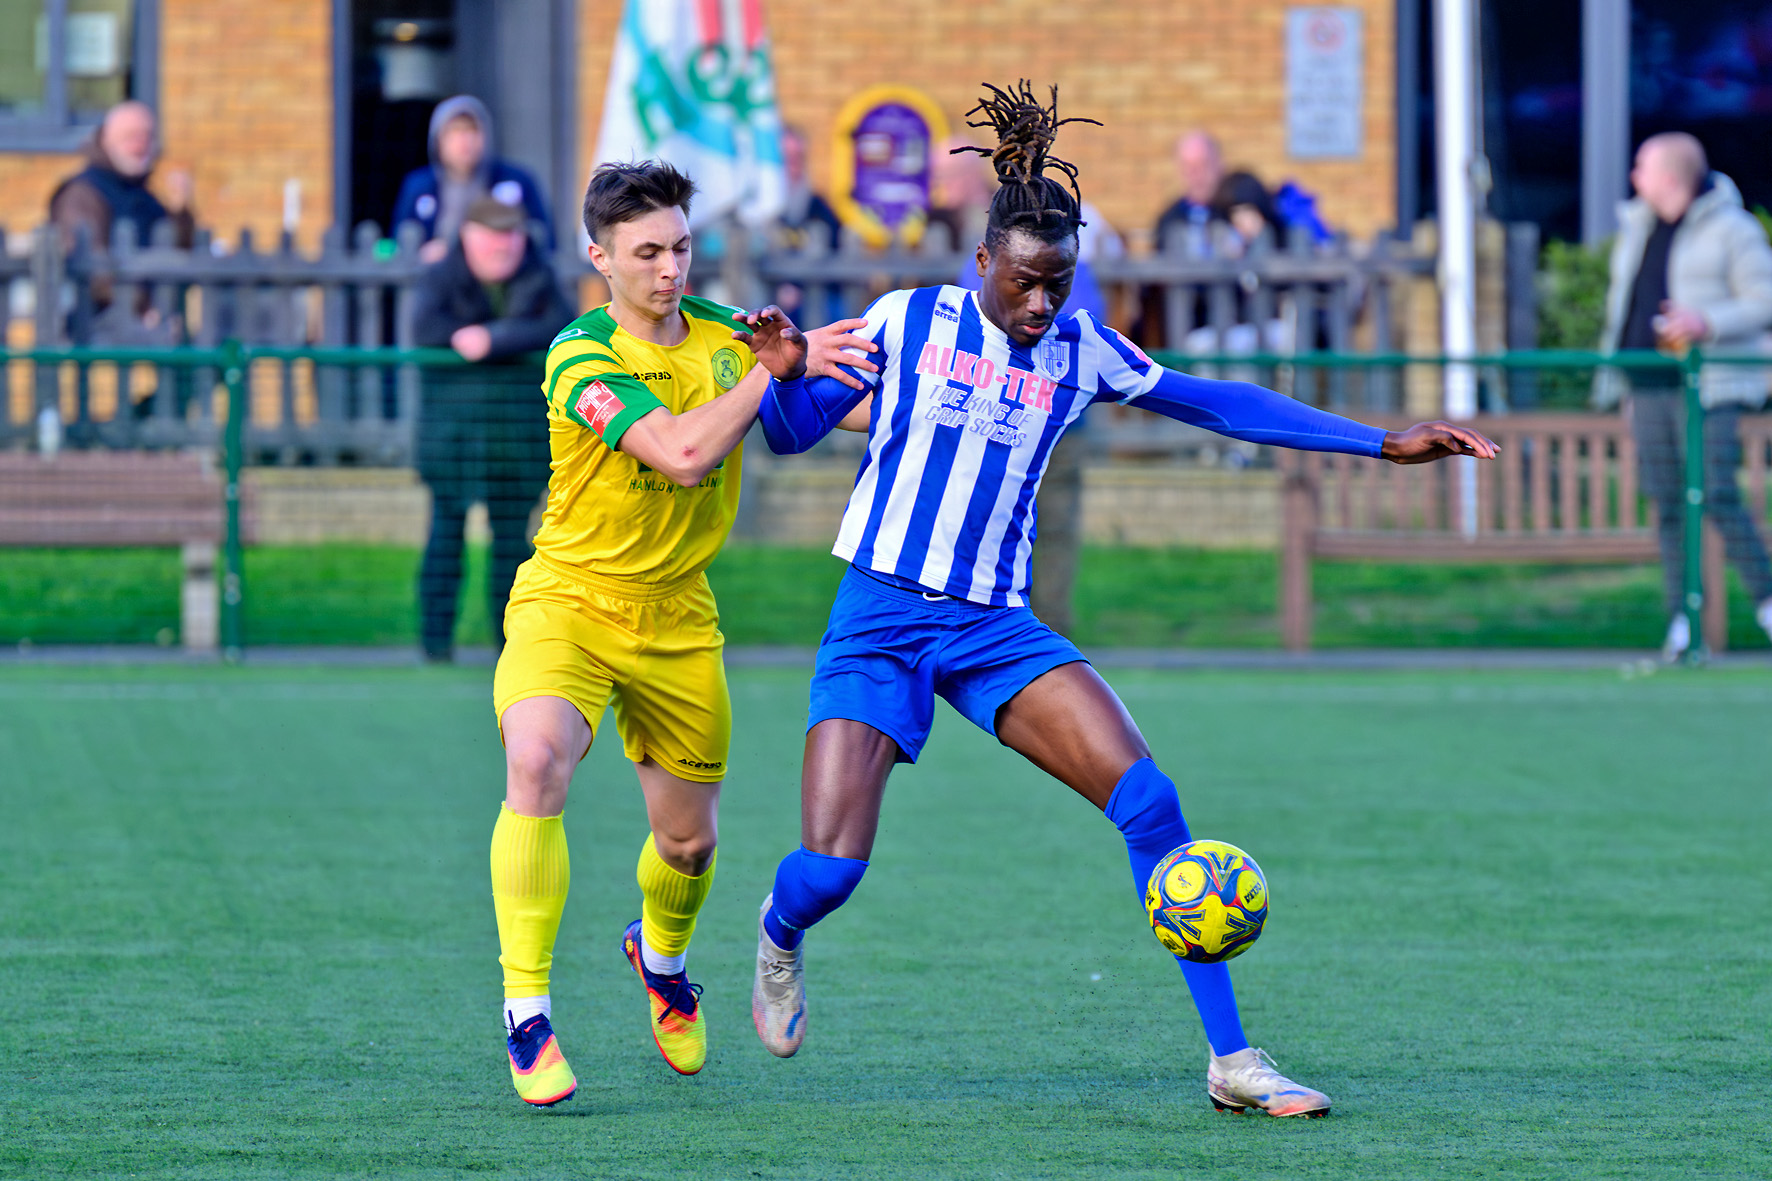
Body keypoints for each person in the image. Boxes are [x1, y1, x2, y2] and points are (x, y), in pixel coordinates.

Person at [741, 81, 1496, 1118]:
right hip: (878, 617)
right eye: (1023, 282)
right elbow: (789, 435)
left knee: (1149, 802)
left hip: (994, 627)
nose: (1039, 304)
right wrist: (784, 374)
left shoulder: (1079, 348)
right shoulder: (904, 321)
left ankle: (1232, 1059)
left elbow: (1218, 403)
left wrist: (1380, 441)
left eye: (1057, 283)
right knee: (831, 870)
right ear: (981, 263)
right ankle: (778, 934)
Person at [487, 160, 868, 1107]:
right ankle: (526, 1013)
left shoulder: (732, 336)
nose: (669, 269)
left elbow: (831, 407)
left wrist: (929, 391)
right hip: (569, 601)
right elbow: (683, 453)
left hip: (678, 616)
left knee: (690, 846)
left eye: (681, 247)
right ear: (600, 258)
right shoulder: (579, 354)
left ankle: (660, 963)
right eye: (647, 252)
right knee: (536, 759)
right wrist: (771, 371)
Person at [1596, 132, 1772, 657]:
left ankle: (1767, 602)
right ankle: (1683, 620)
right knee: (1669, 501)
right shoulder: (1637, 227)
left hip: (1709, 386)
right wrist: (1615, 378)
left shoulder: (1733, 229)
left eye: (1642, 167)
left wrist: (1706, 321)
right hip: (1647, 383)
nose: (1634, 178)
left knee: (1716, 492)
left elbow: (1764, 299)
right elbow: (1623, 307)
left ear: (1670, 177)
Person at [410, 197, 575, 663]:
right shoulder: (441, 276)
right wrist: (476, 341)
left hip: (516, 438)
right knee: (445, 536)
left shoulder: (539, 275)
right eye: (493, 235)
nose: (503, 246)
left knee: (512, 545)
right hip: (452, 439)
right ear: (467, 235)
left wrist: (494, 339)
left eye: (511, 235)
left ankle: (512, 646)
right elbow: (425, 329)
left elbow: (561, 327)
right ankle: (435, 644)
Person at [48, 100, 195, 345]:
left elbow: (177, 256)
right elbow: (92, 268)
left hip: (148, 322)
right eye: (129, 136)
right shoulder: (82, 194)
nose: (139, 145)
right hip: (94, 326)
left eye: (146, 136)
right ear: (106, 139)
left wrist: (181, 215)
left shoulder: (145, 197)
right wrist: (144, 308)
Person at [392, 95, 553, 264]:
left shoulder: (517, 180)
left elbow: (543, 238)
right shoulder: (418, 185)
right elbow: (399, 241)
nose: (465, 141)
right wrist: (423, 254)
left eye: (473, 130)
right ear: (438, 140)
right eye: (455, 131)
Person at [770, 124, 843, 325]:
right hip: (766, 293)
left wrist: (796, 285)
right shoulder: (756, 210)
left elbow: (834, 255)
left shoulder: (820, 209)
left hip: (813, 297)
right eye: (787, 159)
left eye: (798, 158)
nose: (793, 166)